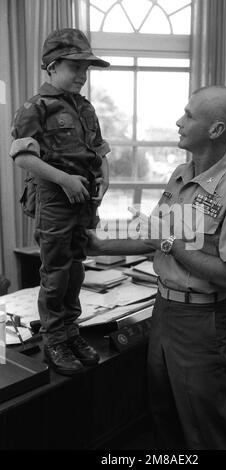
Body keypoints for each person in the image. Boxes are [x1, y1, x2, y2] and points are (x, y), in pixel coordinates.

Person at [88, 85, 226, 449]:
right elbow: (151, 234)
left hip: (202, 322)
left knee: (204, 426)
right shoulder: (180, 174)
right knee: (164, 415)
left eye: (188, 115)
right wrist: (96, 242)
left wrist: (170, 244)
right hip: (164, 310)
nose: (178, 121)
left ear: (216, 130)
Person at [9, 28, 111, 376]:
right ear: (52, 66)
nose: (82, 76)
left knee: (76, 268)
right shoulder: (35, 107)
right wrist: (63, 179)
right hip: (55, 196)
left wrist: (105, 175)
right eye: (74, 68)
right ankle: (54, 339)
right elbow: (22, 157)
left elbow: (98, 149)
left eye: (86, 70)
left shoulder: (85, 107)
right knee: (55, 272)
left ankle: (71, 331)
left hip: (83, 197)